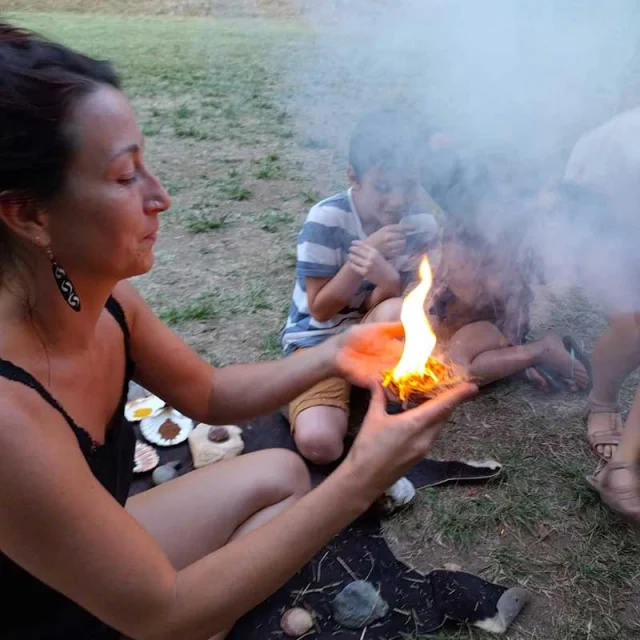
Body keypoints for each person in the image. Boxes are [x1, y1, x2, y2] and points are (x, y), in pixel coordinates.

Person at [0, 22, 478, 640]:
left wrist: (337, 350)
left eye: (148, 165)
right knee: (184, 611)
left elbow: (210, 395)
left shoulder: (110, 301)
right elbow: (158, 614)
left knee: (281, 474)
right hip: (46, 616)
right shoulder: (10, 418)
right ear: (29, 214)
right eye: (125, 177)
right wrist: (361, 478)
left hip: (88, 558)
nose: (161, 196)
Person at [280, 108, 441, 466]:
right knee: (320, 444)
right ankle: (317, 389)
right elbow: (320, 308)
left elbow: (394, 304)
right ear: (354, 176)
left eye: (409, 186)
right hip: (318, 340)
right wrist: (363, 259)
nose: (397, 200)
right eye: (383, 187)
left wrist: (387, 278)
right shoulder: (327, 219)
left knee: (399, 308)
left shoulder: (419, 225)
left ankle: (374, 383)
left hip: (371, 333)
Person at [417, 142, 591, 394]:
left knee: (454, 367)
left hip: (491, 324)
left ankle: (541, 350)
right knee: (418, 342)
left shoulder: (516, 236)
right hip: (448, 314)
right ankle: (514, 362)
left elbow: (545, 270)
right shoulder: (460, 218)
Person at [559, 106, 640, 519]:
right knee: (632, 328)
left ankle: (623, 461)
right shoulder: (618, 152)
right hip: (601, 205)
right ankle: (602, 400)